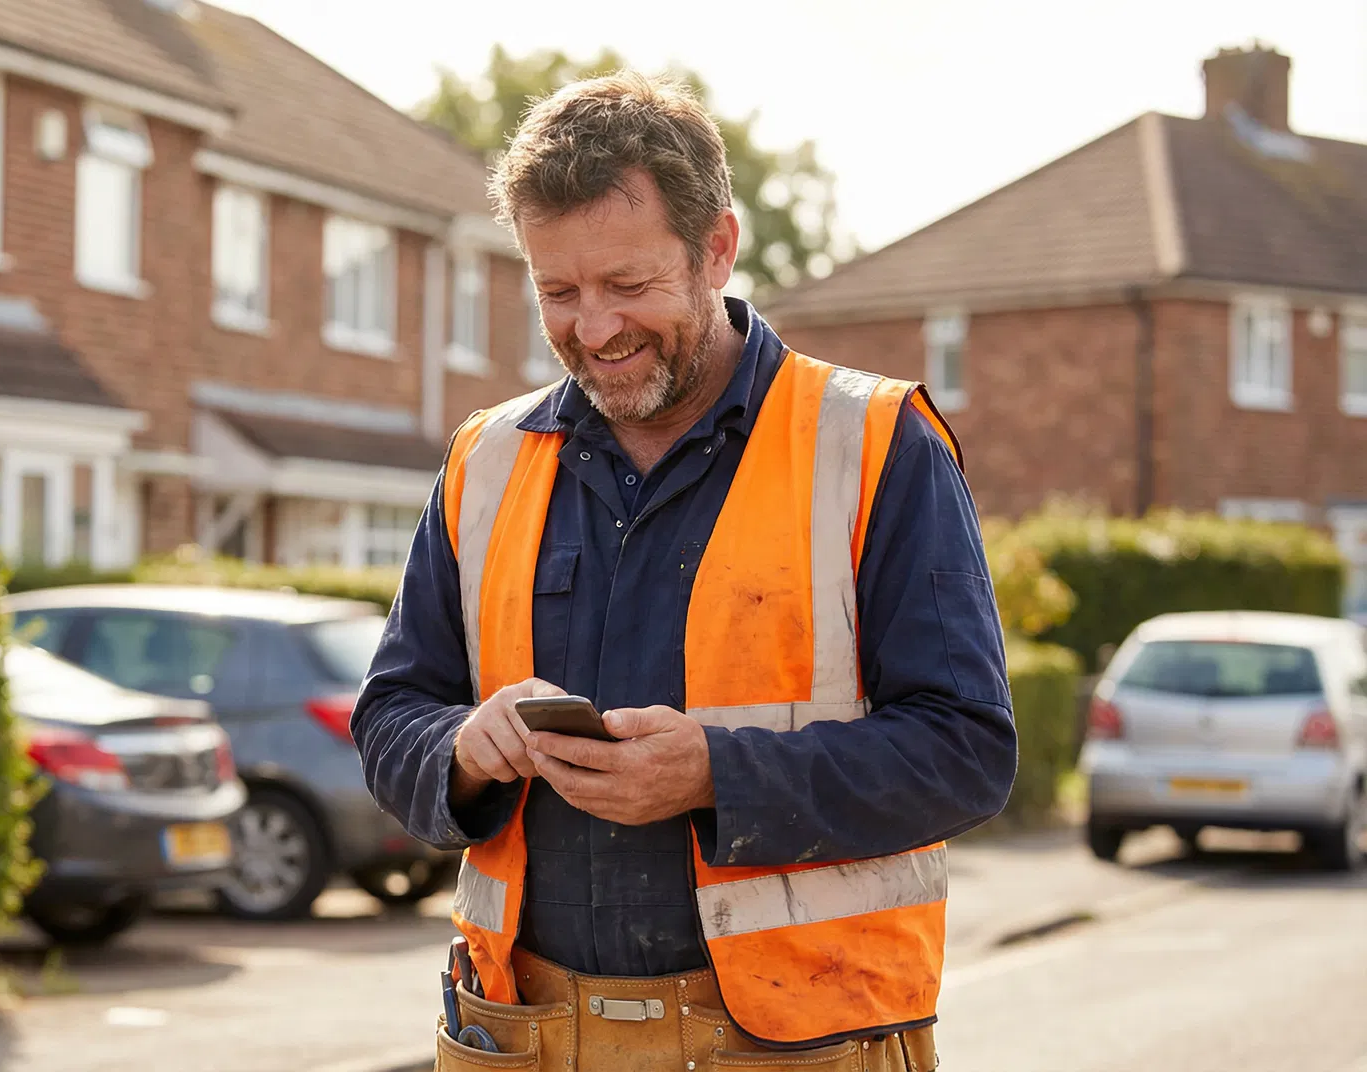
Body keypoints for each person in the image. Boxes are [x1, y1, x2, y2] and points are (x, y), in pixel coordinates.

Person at [351, 72, 1016, 1072]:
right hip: (521, 1038)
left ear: (717, 249)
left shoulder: (877, 444)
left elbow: (967, 750)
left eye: (628, 286)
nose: (594, 328)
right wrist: (464, 747)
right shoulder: (484, 460)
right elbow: (391, 714)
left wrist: (716, 772)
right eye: (558, 293)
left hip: (798, 1043)